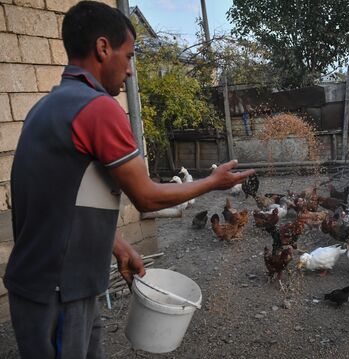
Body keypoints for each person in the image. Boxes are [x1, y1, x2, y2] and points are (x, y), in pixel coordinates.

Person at [2, 1, 254, 358]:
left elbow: (61, 202)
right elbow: (147, 197)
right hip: (59, 292)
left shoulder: (44, 109)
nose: (131, 71)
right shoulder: (98, 108)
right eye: (130, 55)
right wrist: (213, 181)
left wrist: (118, 246)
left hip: (51, 287)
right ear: (103, 48)